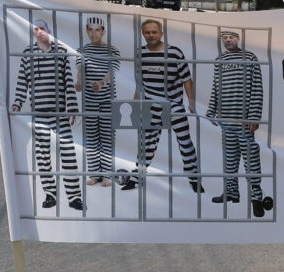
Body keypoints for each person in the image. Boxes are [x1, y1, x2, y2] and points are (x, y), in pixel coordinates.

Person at [10, 16, 81, 212]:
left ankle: (74, 197)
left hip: (59, 114)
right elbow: (22, 81)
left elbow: (68, 82)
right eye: (36, 29)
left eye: (43, 28)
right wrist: (17, 103)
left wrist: (72, 107)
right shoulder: (28, 54)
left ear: (49, 31)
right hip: (39, 114)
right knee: (43, 156)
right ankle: (50, 194)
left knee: (68, 154)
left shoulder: (61, 52)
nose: (40, 31)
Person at [125, 17, 202, 196]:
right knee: (146, 142)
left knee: (184, 141)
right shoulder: (140, 53)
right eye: (147, 32)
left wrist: (190, 102)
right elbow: (139, 80)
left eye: (154, 32)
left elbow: (186, 78)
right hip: (150, 103)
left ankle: (194, 178)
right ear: (143, 34)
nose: (151, 35)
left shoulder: (175, 53)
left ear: (161, 33)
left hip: (173, 104)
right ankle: (138, 176)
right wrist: (136, 101)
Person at [208, 28, 271, 216]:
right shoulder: (219, 60)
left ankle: (256, 198)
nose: (228, 40)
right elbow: (216, 86)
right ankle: (231, 192)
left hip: (244, 121)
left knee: (251, 159)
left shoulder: (250, 58)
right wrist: (211, 110)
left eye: (231, 37)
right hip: (225, 119)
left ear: (238, 38)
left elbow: (257, 87)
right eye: (224, 38)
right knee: (229, 159)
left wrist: (254, 115)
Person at [77, 16, 122, 185]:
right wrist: (79, 83)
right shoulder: (82, 50)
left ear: (103, 31)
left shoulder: (113, 51)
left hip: (107, 101)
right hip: (89, 101)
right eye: (90, 29)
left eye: (97, 30)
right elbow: (80, 70)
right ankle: (95, 174)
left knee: (107, 136)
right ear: (86, 31)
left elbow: (112, 71)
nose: (94, 33)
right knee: (91, 137)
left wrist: (102, 83)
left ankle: (108, 174)